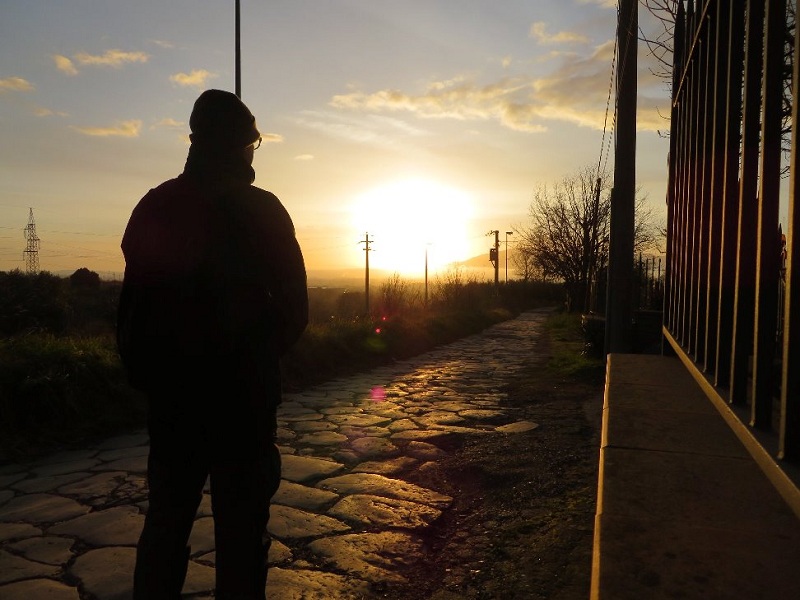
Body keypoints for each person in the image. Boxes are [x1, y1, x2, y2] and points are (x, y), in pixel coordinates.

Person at [117, 89, 308, 599]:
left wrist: (149, 380)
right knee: (242, 538)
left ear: (195, 140)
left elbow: (131, 312)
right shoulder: (262, 210)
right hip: (244, 402)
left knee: (165, 528)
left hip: (173, 402)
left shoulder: (154, 206)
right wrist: (257, 359)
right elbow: (294, 311)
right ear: (244, 145)